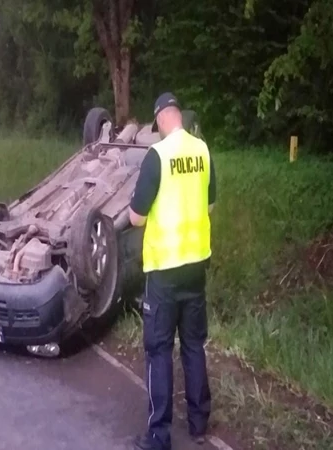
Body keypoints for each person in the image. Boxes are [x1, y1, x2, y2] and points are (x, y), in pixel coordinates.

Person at [128, 92, 216, 450]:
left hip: (164, 272)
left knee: (159, 350)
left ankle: (158, 436)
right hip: (196, 268)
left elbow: (136, 217)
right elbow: (209, 205)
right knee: (194, 345)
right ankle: (199, 424)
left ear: (162, 119)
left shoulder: (157, 156)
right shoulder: (203, 151)